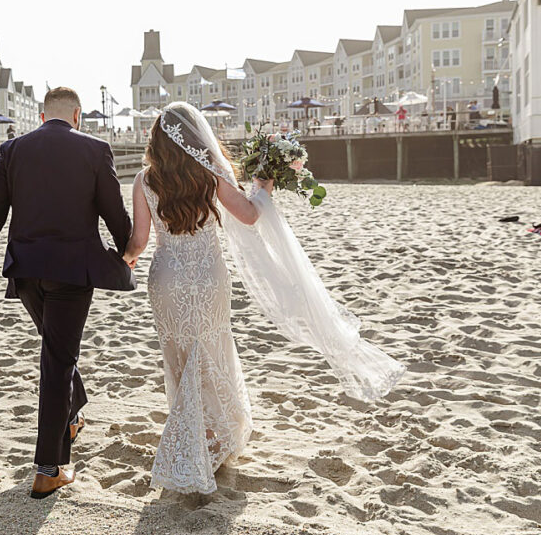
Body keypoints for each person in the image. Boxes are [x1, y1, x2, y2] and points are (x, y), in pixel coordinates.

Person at [121, 102, 405, 494]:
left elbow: (138, 241)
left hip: (166, 278)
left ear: (157, 139)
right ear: (196, 136)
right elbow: (250, 216)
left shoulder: (144, 180)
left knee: (180, 356)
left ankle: (194, 437)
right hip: (206, 277)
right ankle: (208, 440)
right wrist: (264, 187)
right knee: (211, 353)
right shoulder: (209, 172)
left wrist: (125, 261)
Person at [0, 86, 133, 499]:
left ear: (43, 117)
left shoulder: (14, 150)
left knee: (57, 351)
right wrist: (128, 252)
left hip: (26, 272)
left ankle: (72, 415)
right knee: (58, 361)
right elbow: (113, 210)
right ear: (77, 115)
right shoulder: (95, 149)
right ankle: (49, 468)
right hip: (73, 272)